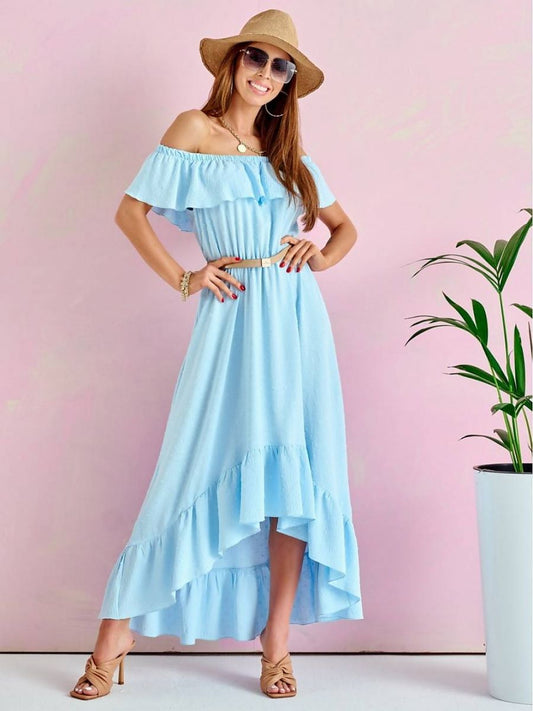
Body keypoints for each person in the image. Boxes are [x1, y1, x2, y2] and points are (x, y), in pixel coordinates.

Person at [70, 8, 363, 701]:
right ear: (232, 63)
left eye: (280, 67)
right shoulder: (192, 131)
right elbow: (130, 212)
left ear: (288, 82)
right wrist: (185, 277)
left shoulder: (289, 156)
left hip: (295, 324)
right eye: (255, 58)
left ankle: (276, 646)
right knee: (190, 465)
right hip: (231, 319)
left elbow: (345, 229)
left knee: (292, 484)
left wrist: (319, 256)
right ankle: (114, 638)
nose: (266, 74)